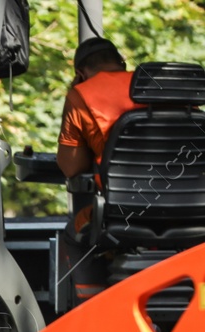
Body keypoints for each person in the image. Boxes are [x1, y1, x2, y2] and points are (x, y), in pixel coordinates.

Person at [57, 37, 137, 302]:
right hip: (190, 211)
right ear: (122, 64)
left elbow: (71, 167)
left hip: (123, 213)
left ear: (80, 73)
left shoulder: (82, 94)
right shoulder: (159, 88)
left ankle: (94, 312)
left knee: (74, 235)